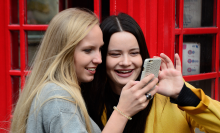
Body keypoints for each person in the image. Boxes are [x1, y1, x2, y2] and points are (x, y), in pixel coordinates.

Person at [10, 8, 159, 133]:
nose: (99, 59)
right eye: (88, 50)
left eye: (100, 49)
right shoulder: (59, 100)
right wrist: (122, 112)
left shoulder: (59, 93)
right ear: (64, 52)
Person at [82, 13, 220, 133]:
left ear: (143, 56)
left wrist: (183, 93)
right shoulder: (90, 101)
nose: (126, 62)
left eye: (134, 53)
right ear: (101, 57)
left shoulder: (171, 95)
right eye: (115, 54)